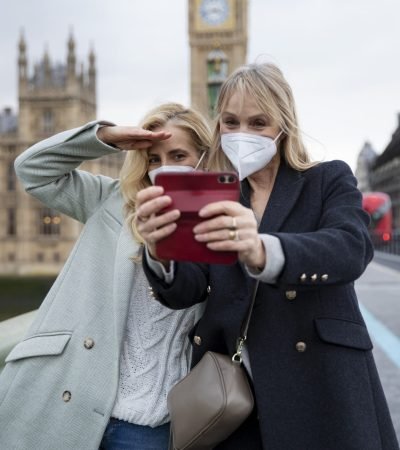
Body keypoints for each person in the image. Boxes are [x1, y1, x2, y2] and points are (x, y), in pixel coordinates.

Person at [135, 63, 400, 450]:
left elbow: (351, 248)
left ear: (283, 126)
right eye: (231, 122)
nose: (242, 135)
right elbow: (187, 289)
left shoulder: (327, 180)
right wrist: (159, 252)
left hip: (325, 385)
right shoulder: (213, 194)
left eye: (258, 123)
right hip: (242, 397)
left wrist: (263, 249)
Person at [0, 103, 211, 450]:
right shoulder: (111, 201)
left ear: (204, 159)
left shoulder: (220, 224)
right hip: (71, 404)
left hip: (148, 422)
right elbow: (32, 170)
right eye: (154, 159)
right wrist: (102, 137)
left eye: (178, 156)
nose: (163, 169)